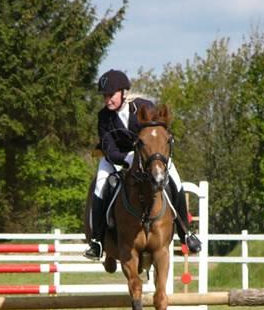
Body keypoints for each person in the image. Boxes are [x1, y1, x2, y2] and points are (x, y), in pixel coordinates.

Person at [84, 69, 201, 260]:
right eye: (104, 96)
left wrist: (148, 156)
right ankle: (96, 241)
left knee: (176, 182)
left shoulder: (144, 107)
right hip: (116, 159)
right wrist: (127, 158)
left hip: (149, 158)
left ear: (123, 92)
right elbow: (108, 146)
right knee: (99, 186)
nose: (107, 100)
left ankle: (186, 233)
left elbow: (157, 133)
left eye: (110, 95)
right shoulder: (103, 117)